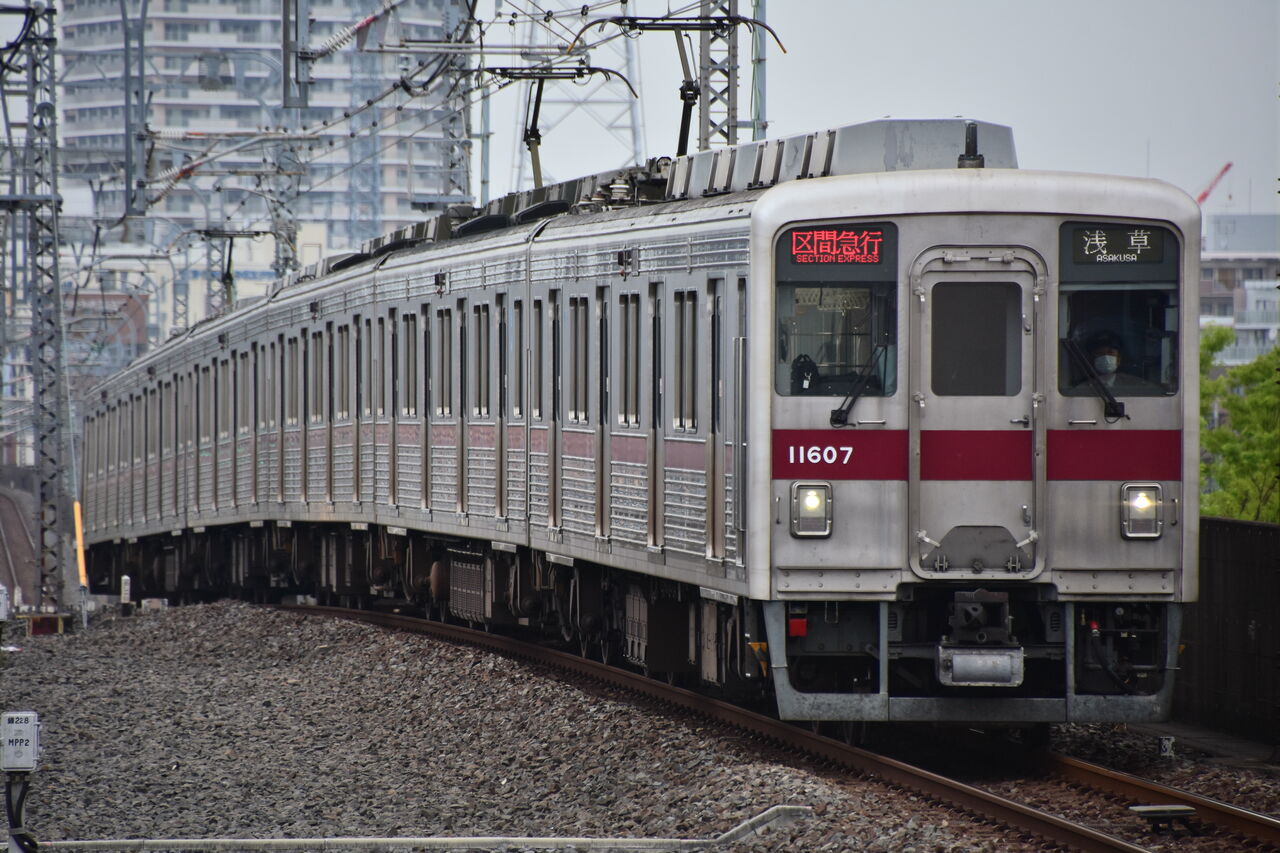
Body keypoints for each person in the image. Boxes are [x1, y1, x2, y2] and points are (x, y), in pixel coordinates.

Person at [1073, 331, 1160, 394]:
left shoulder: (1136, 385)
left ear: (1119, 358)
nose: (1105, 357)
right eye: (1099, 353)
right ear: (1091, 359)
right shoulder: (1081, 388)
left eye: (1110, 352)